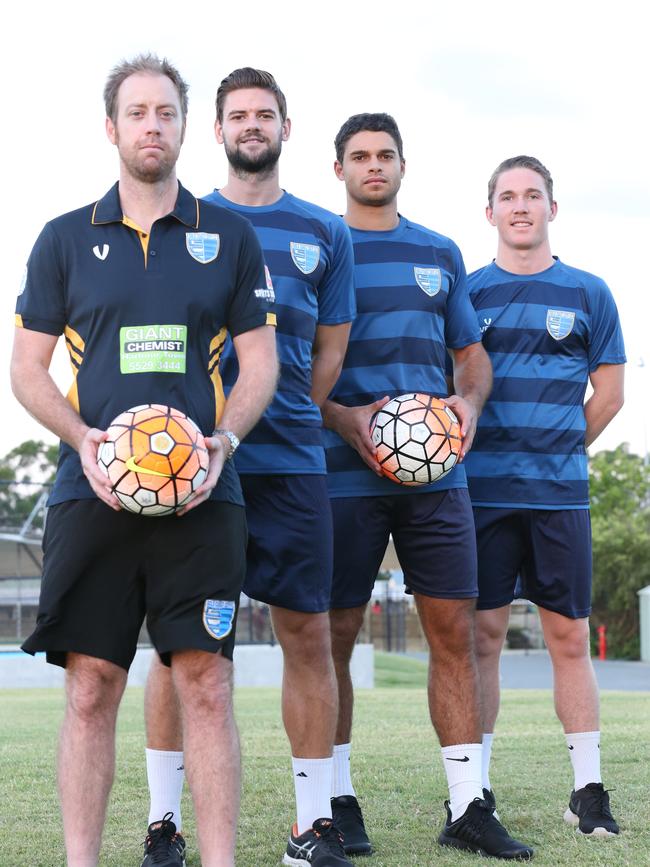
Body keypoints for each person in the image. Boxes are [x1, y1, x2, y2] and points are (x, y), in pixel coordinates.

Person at [11, 54, 278, 867]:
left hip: (203, 494)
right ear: (112, 128)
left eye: (166, 112)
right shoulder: (63, 237)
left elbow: (261, 363)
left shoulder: (227, 234)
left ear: (183, 126)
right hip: (91, 494)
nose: (152, 125)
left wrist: (222, 441)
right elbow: (26, 369)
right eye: (137, 112)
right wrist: (84, 440)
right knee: (91, 686)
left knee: (206, 683)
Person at [143, 68, 357, 867]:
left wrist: (284, 406)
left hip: (295, 464)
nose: (252, 125)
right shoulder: (180, 220)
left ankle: (314, 826)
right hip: (197, 467)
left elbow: (329, 352)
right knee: (184, 649)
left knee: (308, 635)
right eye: (238, 114)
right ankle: (164, 825)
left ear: (286, 128)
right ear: (219, 130)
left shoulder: (322, 233)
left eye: (265, 114)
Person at [323, 113, 534, 860]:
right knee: (334, 640)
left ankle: (468, 804)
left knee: (454, 635)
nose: (373, 166)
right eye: (360, 156)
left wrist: (467, 407)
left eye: (385, 155)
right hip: (342, 475)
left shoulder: (438, 250)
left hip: (439, 477)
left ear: (403, 165)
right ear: (339, 167)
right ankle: (336, 802)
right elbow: (288, 365)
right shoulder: (320, 244)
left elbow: (471, 357)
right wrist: (349, 422)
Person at [465, 155, 625, 837]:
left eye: (533, 196)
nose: (521, 206)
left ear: (552, 209)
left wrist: (555, 447)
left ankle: (587, 790)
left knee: (568, 635)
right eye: (508, 196)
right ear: (491, 211)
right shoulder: (466, 295)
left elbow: (611, 395)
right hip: (481, 495)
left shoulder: (590, 293)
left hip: (560, 496)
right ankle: (474, 789)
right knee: (483, 637)